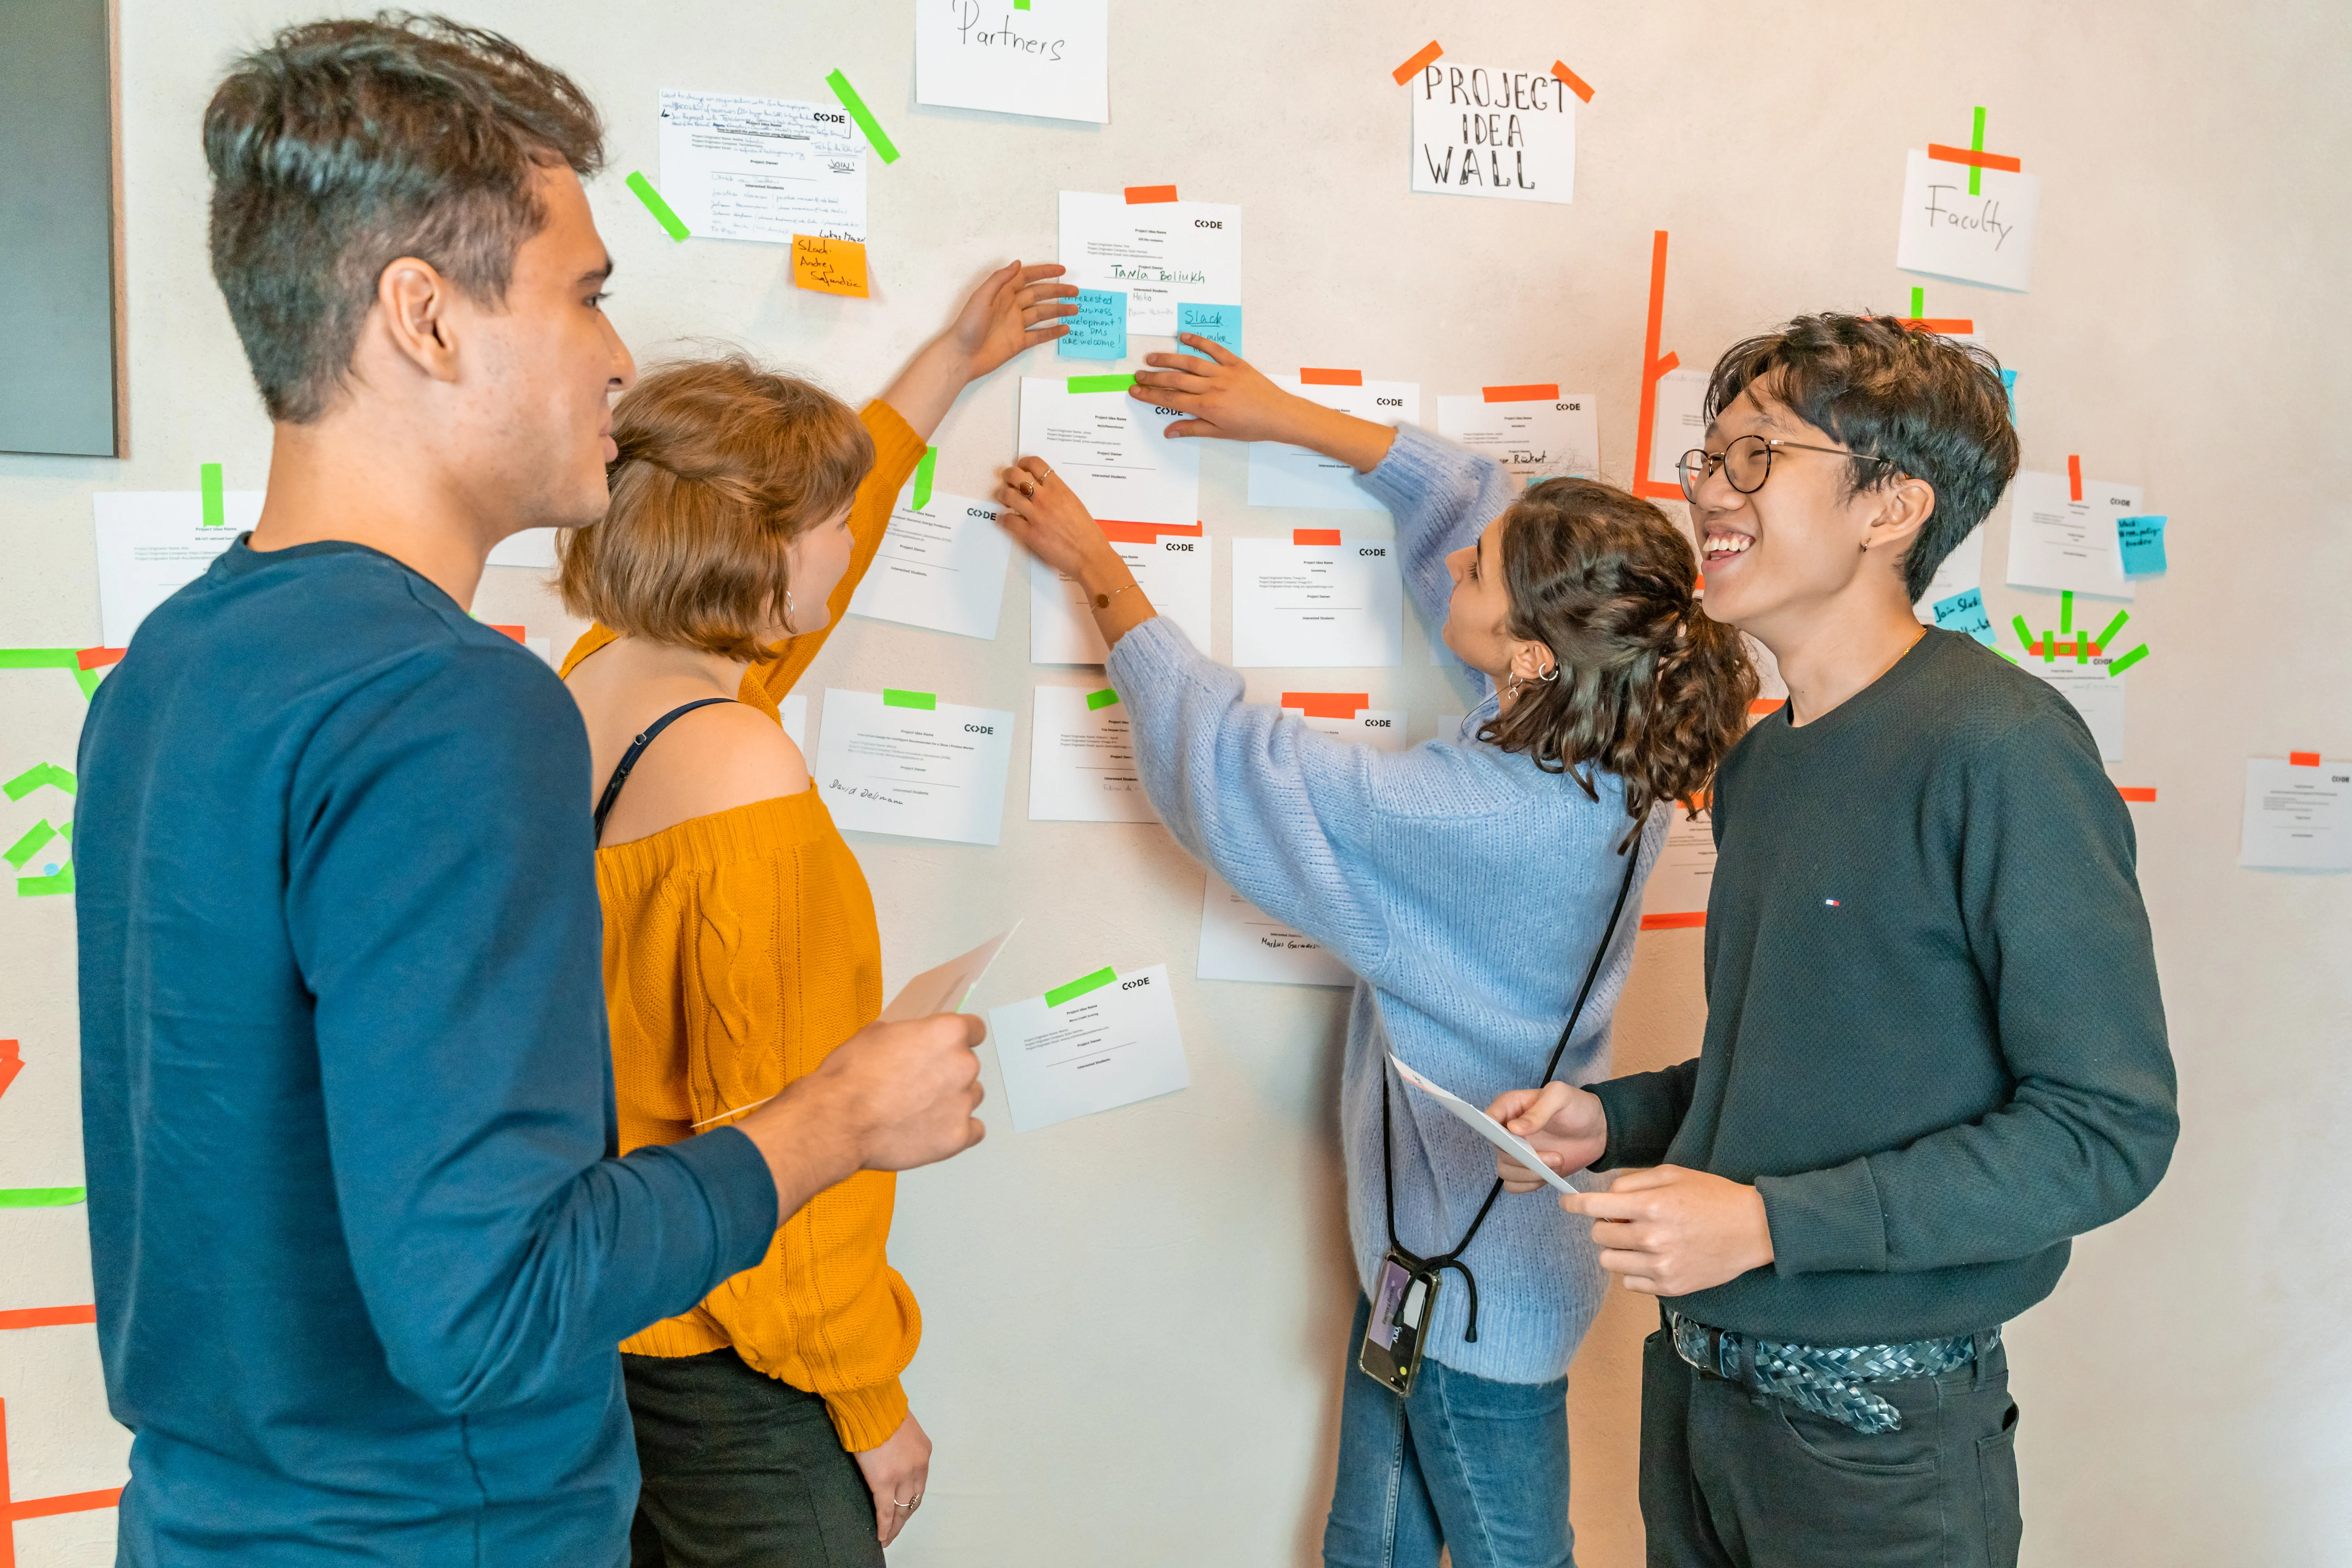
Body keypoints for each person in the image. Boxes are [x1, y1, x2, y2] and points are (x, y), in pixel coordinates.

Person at [74, 19, 989, 1566]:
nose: (620, 359)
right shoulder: (455, 704)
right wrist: (837, 1118)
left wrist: (947, 367)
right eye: (587, 295)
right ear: (424, 318)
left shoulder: (180, 661)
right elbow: (485, 1309)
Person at [988, 337, 1759, 1568]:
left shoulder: (1476, 810)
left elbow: (1238, 763)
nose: (1457, 555)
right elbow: (1489, 508)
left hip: (1472, 1287)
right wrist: (1287, 415)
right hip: (1443, 1264)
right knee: (1371, 1544)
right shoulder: (1604, 740)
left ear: (1529, 657)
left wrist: (1097, 568)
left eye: (1476, 574)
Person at [1489, 315, 2178, 1568]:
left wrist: (1765, 1224)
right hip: (1698, 1397)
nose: (1706, 490)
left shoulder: (2002, 747)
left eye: (1756, 455)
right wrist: (1615, 1119)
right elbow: (1804, 1062)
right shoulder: (1761, 763)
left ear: (1891, 506)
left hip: (1875, 1443)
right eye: (1705, 458)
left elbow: (2104, 1130)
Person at [555, 259, 1077, 1565]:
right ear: (758, 546)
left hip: (618, 1330)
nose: (850, 547)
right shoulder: (741, 771)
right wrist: (867, 1405)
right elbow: (786, 1152)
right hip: (745, 1376)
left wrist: (950, 358)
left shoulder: (605, 684)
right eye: (830, 523)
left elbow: (808, 590)